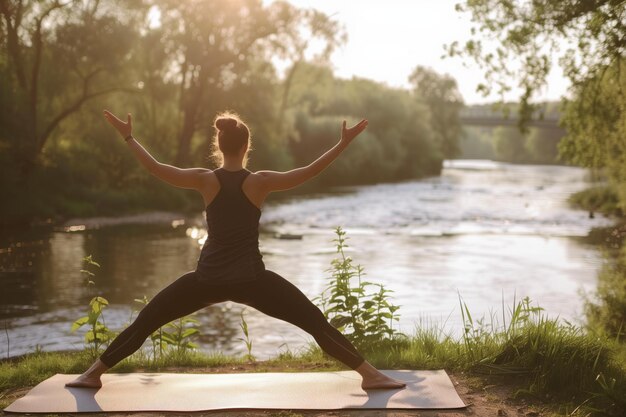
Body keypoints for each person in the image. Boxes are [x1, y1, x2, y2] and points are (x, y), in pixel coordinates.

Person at [66, 110, 406, 391]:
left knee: (147, 321)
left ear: (219, 144)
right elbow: (310, 172)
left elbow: (156, 169)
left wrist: (128, 136)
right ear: (246, 146)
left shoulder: (205, 179)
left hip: (207, 279)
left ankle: (92, 374)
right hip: (252, 280)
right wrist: (341, 144)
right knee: (314, 321)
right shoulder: (260, 181)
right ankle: (370, 375)